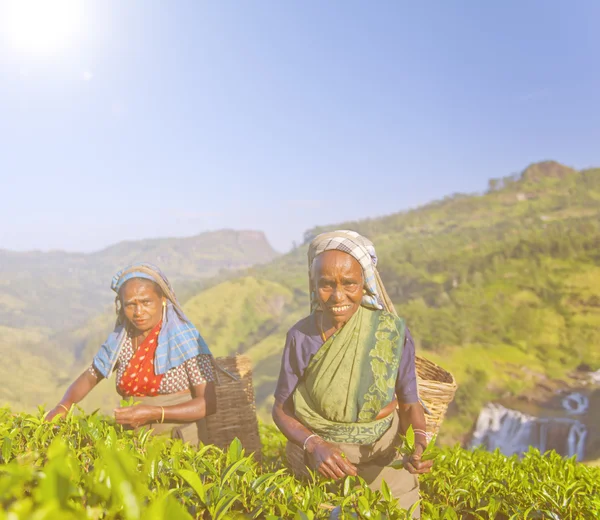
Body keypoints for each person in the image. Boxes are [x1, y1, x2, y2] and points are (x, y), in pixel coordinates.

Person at [272, 230, 433, 518]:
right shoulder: (301, 336)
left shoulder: (390, 333)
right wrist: (315, 446)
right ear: (313, 285)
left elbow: (409, 403)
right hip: (326, 467)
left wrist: (419, 443)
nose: (337, 296)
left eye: (349, 283)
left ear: (364, 284)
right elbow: (282, 410)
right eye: (325, 285)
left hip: (385, 466)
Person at [46, 263, 216, 445]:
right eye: (130, 305)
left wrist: (154, 413)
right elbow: (90, 376)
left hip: (180, 444)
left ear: (164, 299)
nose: (138, 312)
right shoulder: (122, 339)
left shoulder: (185, 340)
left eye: (146, 302)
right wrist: (63, 406)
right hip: (134, 445)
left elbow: (208, 402)